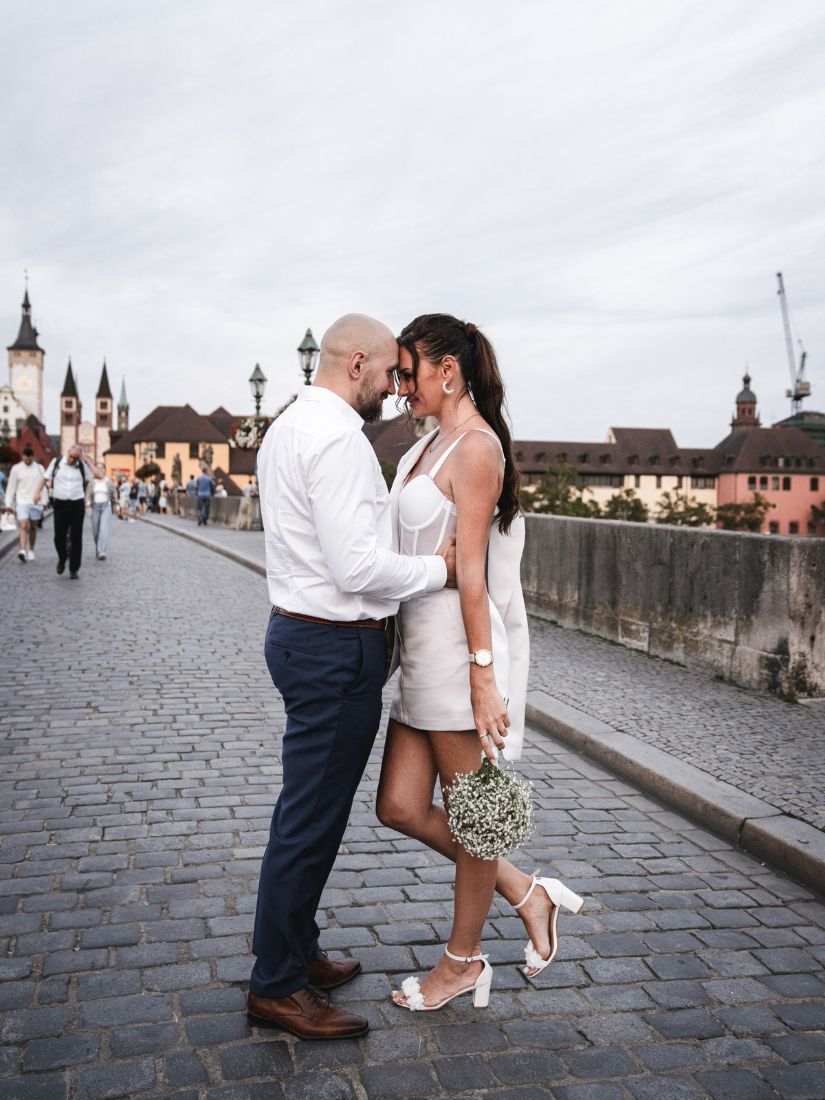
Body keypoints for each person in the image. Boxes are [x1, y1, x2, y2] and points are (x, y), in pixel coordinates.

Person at [247, 313, 457, 1041]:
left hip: (306, 637)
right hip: (332, 647)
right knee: (308, 821)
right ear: (358, 363)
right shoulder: (336, 438)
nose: (395, 388)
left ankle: (294, 951)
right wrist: (442, 568)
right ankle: (275, 984)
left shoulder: (286, 426)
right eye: (391, 373)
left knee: (307, 812)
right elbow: (358, 567)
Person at [376, 314, 583, 1013]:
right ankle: (527, 891)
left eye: (409, 373)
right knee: (398, 806)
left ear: (448, 372)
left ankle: (462, 963)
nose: (399, 385)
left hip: (455, 650)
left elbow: (472, 575)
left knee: (472, 819)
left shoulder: (476, 449)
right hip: (418, 647)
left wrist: (483, 672)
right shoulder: (429, 443)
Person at [45, 444, 93, 578]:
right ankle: (62, 557)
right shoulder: (57, 462)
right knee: (58, 537)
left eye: (75, 458)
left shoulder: (82, 466)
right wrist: (40, 493)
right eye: (71, 456)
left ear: (79, 458)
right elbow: (46, 477)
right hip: (60, 504)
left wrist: (86, 498)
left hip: (77, 504)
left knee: (76, 537)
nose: (71, 459)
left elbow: (92, 479)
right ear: (67, 453)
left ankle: (74, 568)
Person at [3, 446, 47, 562]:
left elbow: (44, 486)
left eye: (29, 458)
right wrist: (8, 503)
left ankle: (31, 550)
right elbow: (11, 486)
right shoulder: (16, 469)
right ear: (23, 456)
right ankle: (22, 550)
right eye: (25, 458)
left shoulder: (39, 468)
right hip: (22, 501)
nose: (27, 460)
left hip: (35, 502)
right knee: (23, 526)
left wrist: (44, 501)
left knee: (33, 527)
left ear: (32, 457)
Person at [85, 463, 117, 560]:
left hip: (106, 507)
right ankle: (98, 548)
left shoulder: (108, 481)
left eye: (101, 468)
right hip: (95, 507)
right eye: (97, 468)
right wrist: (87, 503)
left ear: (104, 470)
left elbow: (113, 495)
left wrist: (115, 506)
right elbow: (88, 494)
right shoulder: (92, 482)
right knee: (95, 531)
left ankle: (102, 551)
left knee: (103, 530)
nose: (99, 470)